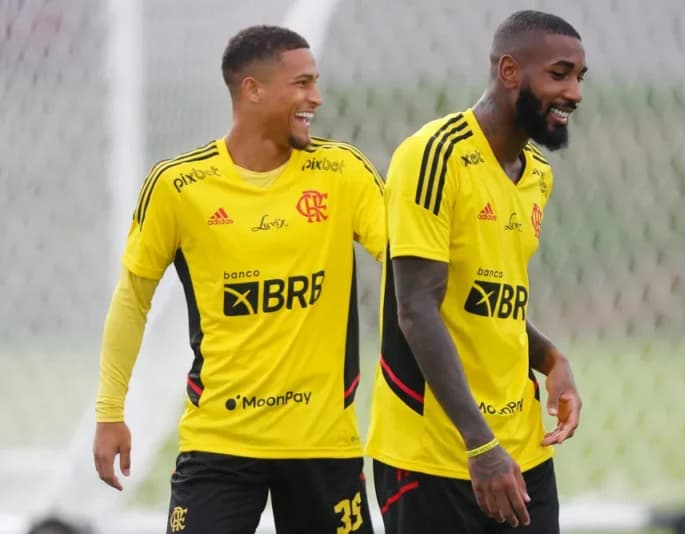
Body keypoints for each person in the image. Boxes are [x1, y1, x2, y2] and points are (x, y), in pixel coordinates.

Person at [92, 25, 384, 534]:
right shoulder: (178, 186)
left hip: (322, 445)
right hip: (219, 443)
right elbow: (131, 301)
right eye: (302, 83)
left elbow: (412, 268)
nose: (315, 97)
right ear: (252, 90)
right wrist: (109, 411)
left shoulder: (343, 173)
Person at [365, 10, 586, 534]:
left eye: (580, 77)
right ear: (510, 72)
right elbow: (416, 307)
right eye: (559, 74)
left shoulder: (537, 175)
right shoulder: (433, 155)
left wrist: (551, 358)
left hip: (520, 451)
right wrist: (480, 444)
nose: (574, 92)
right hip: (437, 456)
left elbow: (487, 300)